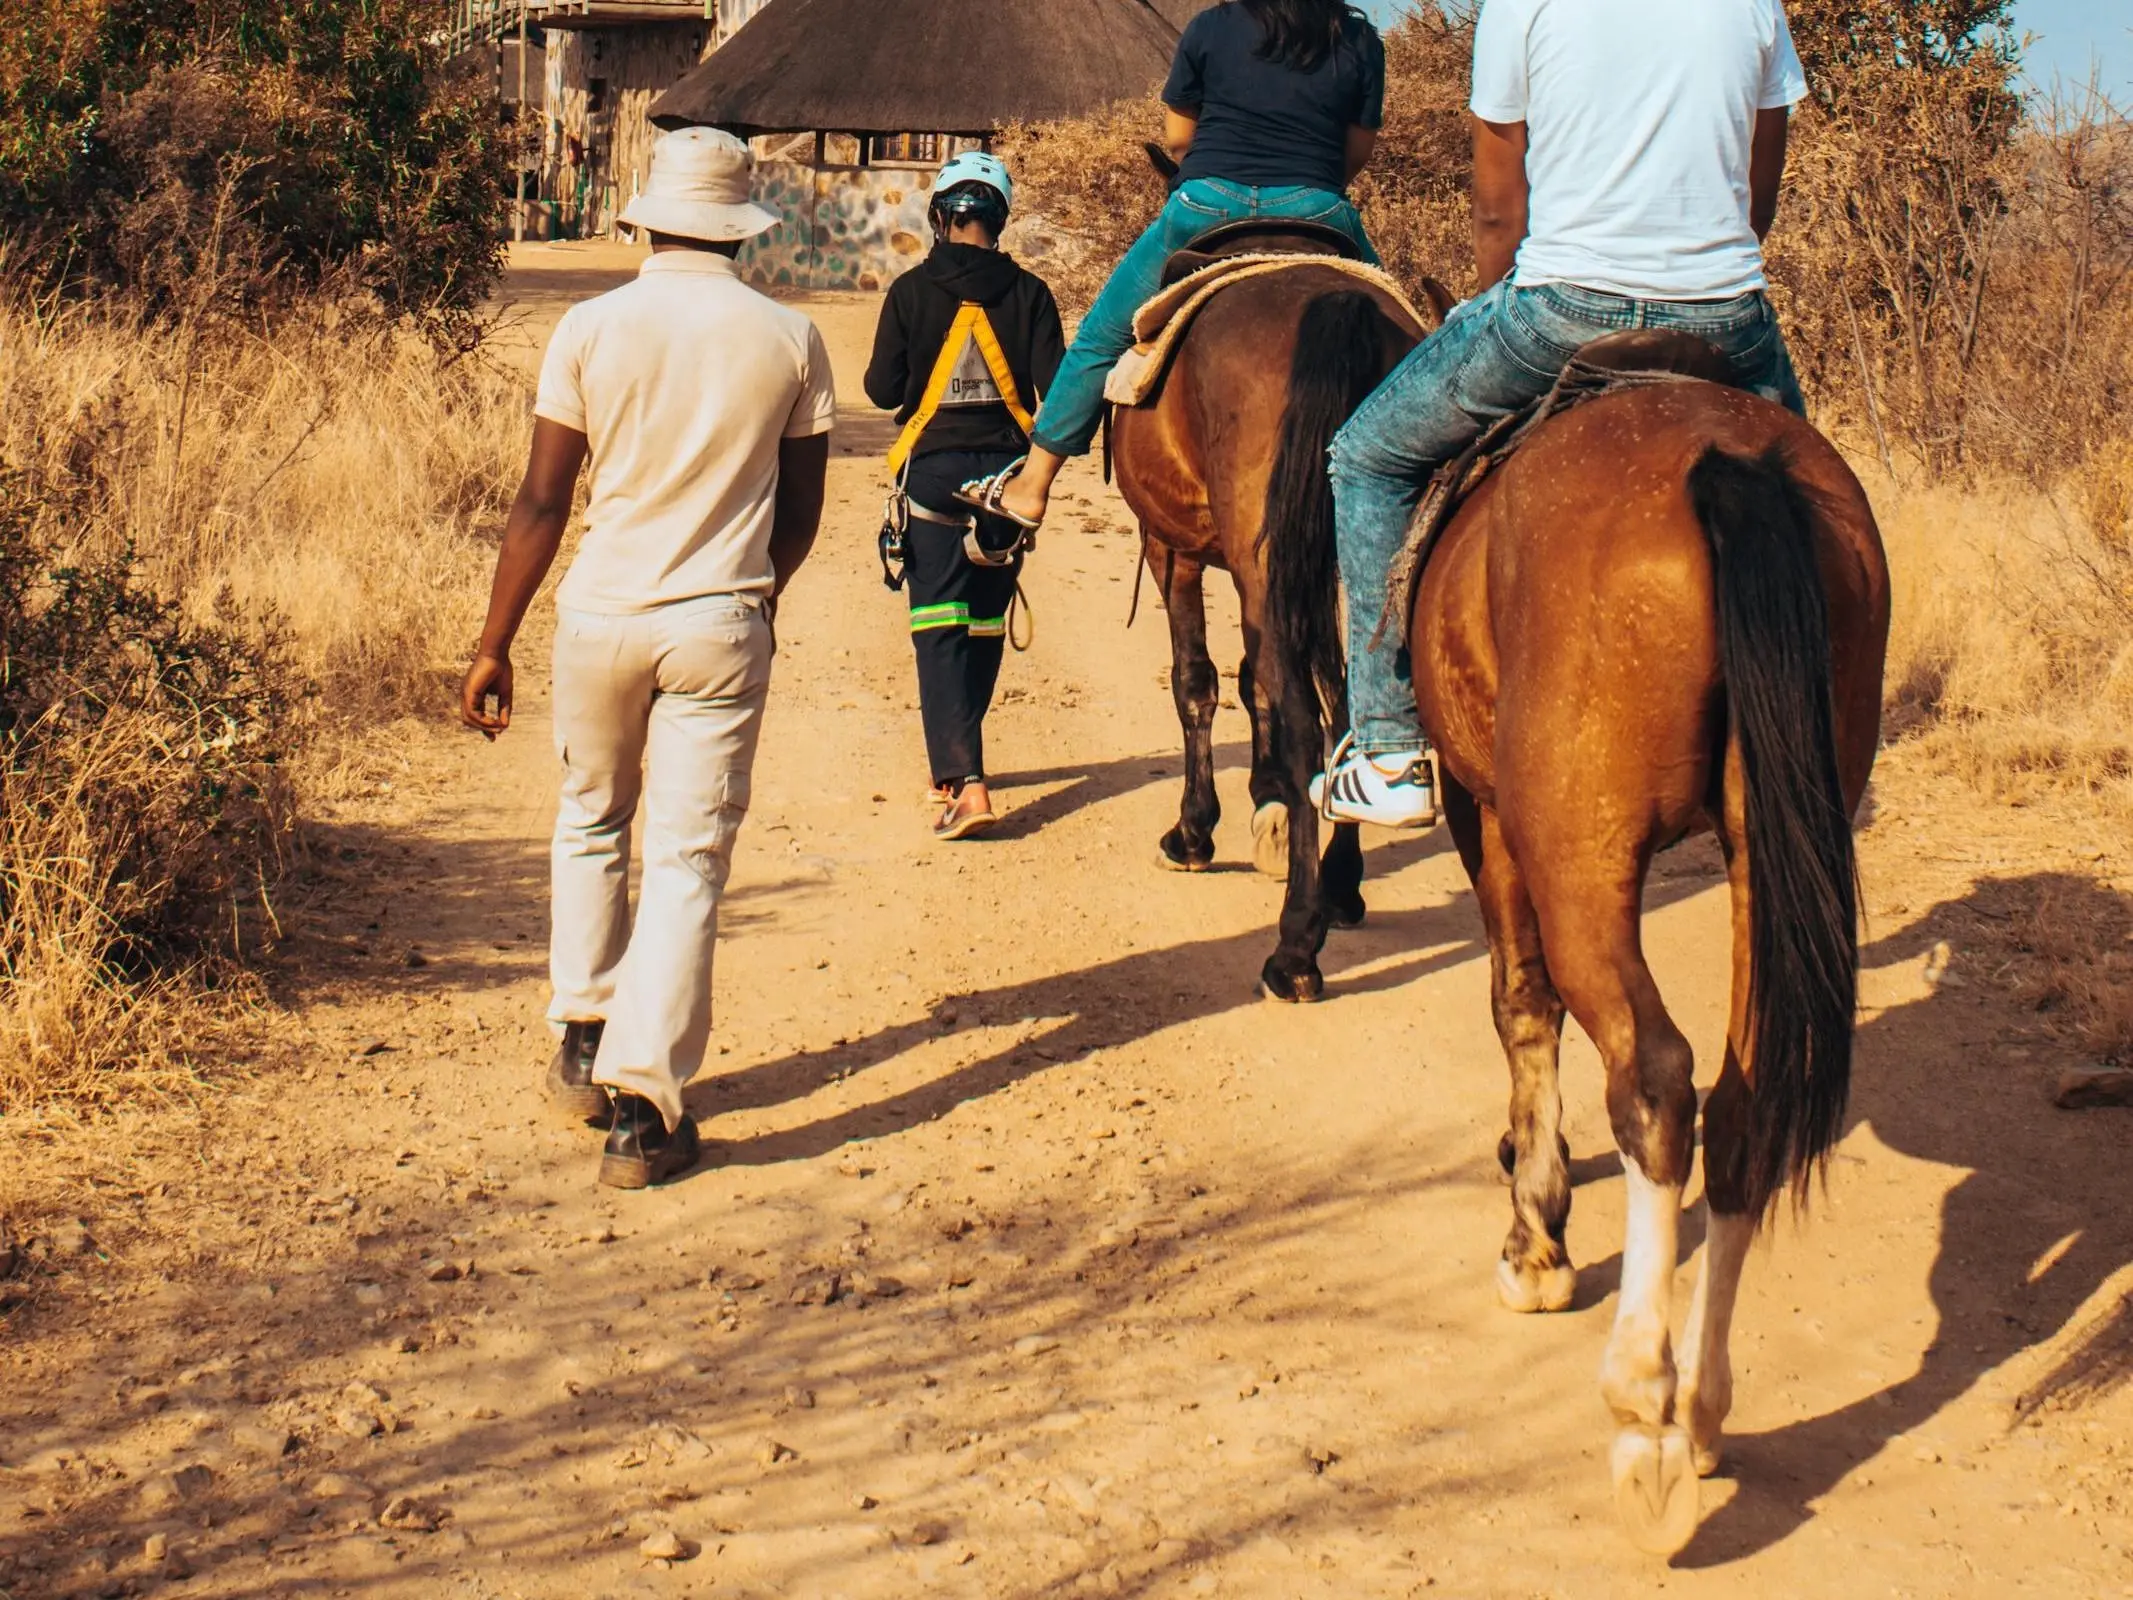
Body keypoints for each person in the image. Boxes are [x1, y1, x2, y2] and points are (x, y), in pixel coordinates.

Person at [1313, 0, 1811, 829]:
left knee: (1366, 457)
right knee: (1816, 503)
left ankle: (1390, 748)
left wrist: (1490, 300)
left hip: (1565, 310)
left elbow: (1499, 208)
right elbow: (1757, 194)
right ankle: (1816, 719)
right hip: (1727, 314)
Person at [458, 127, 836, 1189]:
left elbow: (543, 499)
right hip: (719, 619)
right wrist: (753, 596)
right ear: (739, 226)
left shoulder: (589, 327)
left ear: (649, 215)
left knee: (590, 820)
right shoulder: (792, 339)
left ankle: (581, 1034)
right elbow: (798, 514)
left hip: (597, 617)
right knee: (687, 858)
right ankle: (641, 1106)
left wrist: (493, 643)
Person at [962, 0, 1385, 533]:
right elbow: (1355, 154)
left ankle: (1034, 484)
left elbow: (1179, 139)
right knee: (1408, 336)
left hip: (1206, 208)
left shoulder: (1212, 26)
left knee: (1100, 337)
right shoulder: (1358, 40)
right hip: (1316, 208)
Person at [863, 153, 1065, 840]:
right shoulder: (1031, 293)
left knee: (938, 625)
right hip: (1007, 484)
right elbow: (1058, 394)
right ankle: (957, 761)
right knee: (982, 622)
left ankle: (965, 782)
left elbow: (882, 391)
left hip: (934, 476)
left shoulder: (910, 292)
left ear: (940, 217)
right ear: (999, 220)